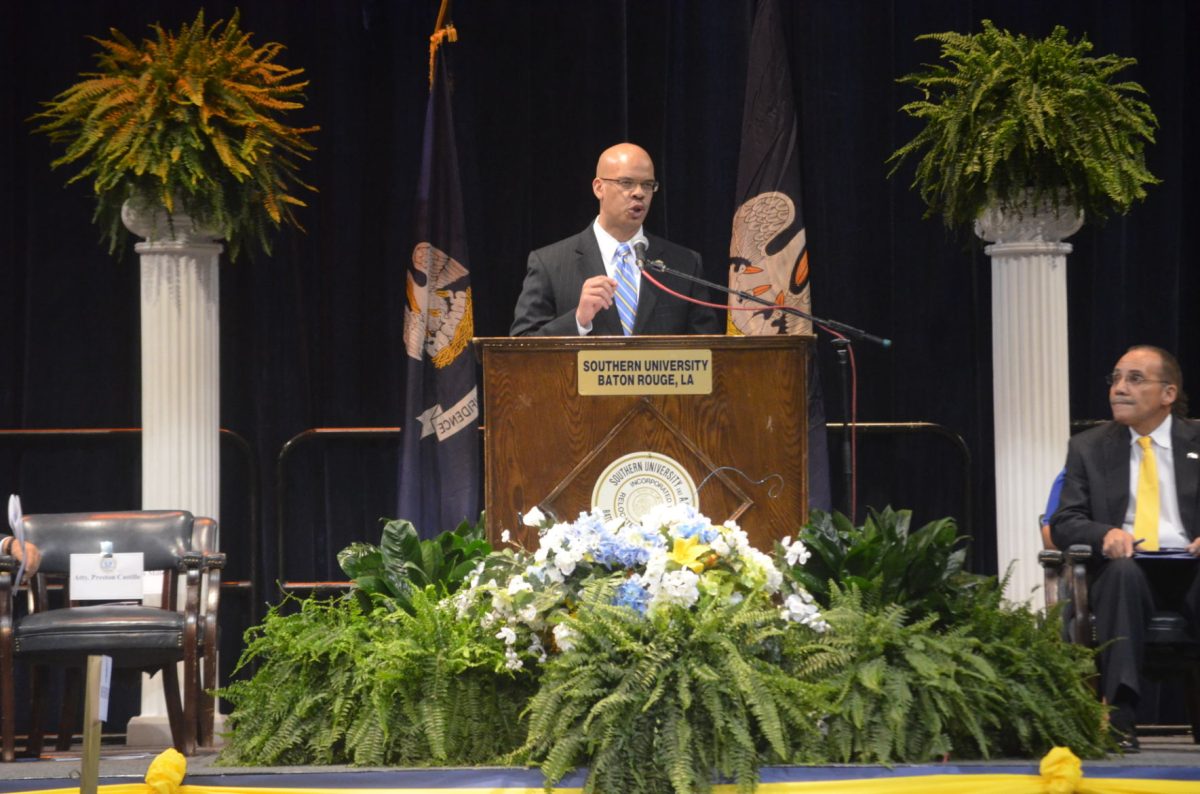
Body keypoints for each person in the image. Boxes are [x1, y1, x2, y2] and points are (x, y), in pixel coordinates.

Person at [1051, 345, 1200, 751]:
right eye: (1115, 378)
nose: (1119, 388)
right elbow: (1064, 521)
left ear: (1168, 393)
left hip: (1189, 565)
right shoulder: (1089, 447)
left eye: (1134, 379)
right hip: (1128, 567)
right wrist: (1104, 534)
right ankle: (1121, 718)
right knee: (1120, 574)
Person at [510, 142, 720, 337]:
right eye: (626, 183)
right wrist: (578, 321)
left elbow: (710, 353)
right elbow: (520, 348)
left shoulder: (683, 264)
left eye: (648, 185)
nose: (639, 193)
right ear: (598, 188)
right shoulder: (550, 263)